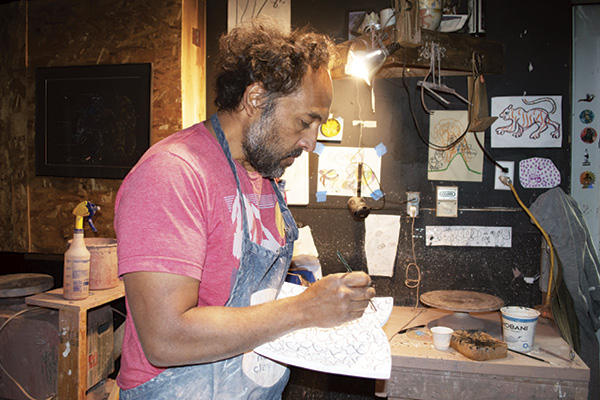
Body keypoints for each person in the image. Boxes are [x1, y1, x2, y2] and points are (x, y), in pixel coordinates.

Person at [114, 17, 375, 399]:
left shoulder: (264, 177)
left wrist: (320, 299)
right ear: (255, 99)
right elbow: (165, 338)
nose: (310, 142)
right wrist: (304, 309)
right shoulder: (173, 174)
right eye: (305, 122)